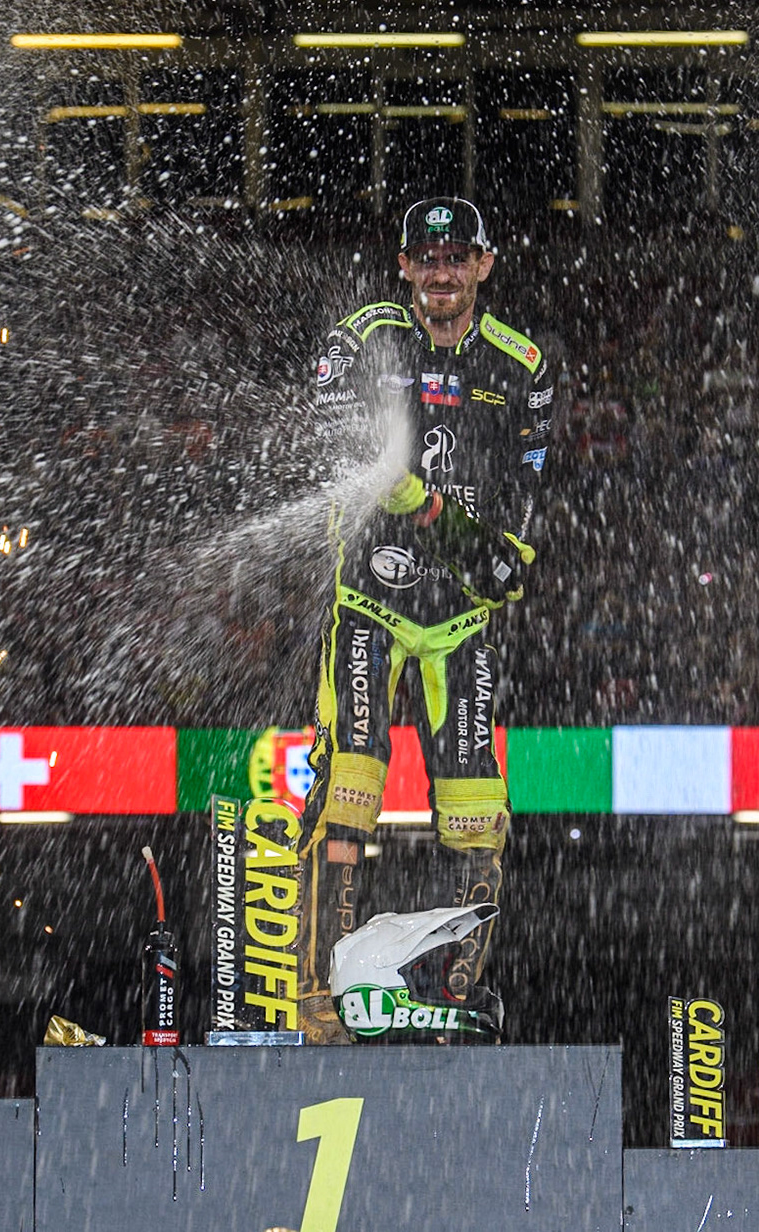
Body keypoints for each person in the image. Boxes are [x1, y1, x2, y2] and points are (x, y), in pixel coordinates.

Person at [297, 197, 552, 1043]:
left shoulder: (524, 364)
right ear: (403, 265)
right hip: (370, 599)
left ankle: (454, 996)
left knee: (478, 811)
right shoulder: (364, 335)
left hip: (461, 623)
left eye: (457, 258)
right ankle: (320, 1000)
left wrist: (509, 551)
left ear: (485, 263)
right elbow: (329, 424)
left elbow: (528, 499)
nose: (441, 273)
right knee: (350, 786)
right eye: (425, 258)